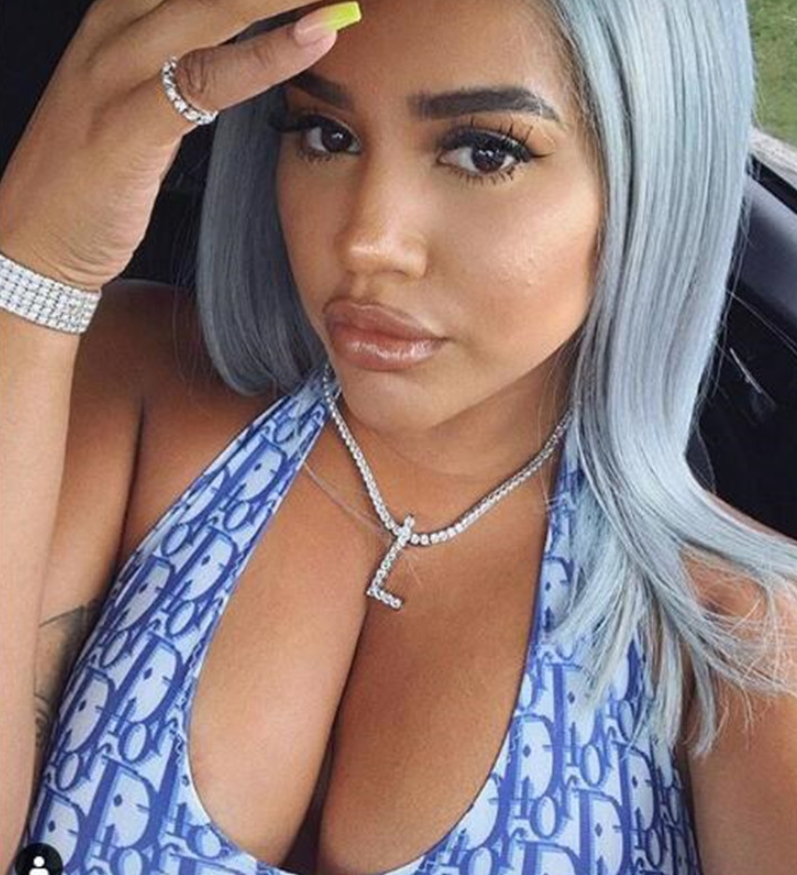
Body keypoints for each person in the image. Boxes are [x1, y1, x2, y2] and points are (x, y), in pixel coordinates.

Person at [1, 0, 796, 873]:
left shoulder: (741, 642)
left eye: (484, 152)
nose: (367, 241)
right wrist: (34, 268)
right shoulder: (127, 383)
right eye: (326, 134)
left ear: (655, 175)